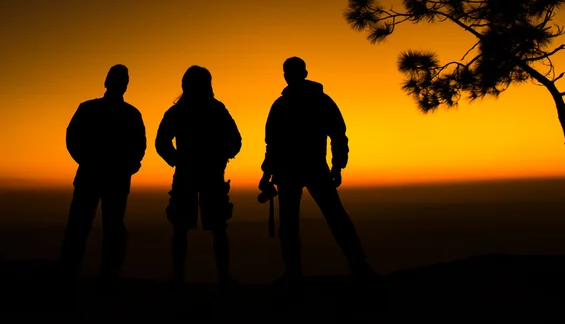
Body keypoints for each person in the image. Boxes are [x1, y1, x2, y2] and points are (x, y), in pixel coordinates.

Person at [259, 56, 372, 283]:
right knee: (333, 217)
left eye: (288, 72)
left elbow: (273, 143)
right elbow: (338, 135)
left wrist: (267, 173)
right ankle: (359, 267)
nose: (287, 75)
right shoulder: (319, 101)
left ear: (293, 74)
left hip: (293, 170)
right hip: (310, 168)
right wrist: (337, 165)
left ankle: (294, 273)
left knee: (295, 223)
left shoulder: (282, 105)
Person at [59, 64, 146, 288]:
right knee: (105, 226)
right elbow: (139, 147)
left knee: (89, 225)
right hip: (108, 178)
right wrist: (128, 166)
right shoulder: (129, 114)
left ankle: (74, 272)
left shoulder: (91, 109)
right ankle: (103, 274)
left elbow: (73, 139)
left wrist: (88, 161)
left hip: (96, 176)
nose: (120, 84)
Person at [155, 65, 242, 291]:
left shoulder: (178, 111)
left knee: (182, 228)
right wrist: (221, 157)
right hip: (209, 174)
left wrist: (177, 160)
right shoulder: (216, 109)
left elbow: (161, 142)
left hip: (189, 174)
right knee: (216, 227)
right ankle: (222, 279)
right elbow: (235, 141)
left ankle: (178, 279)